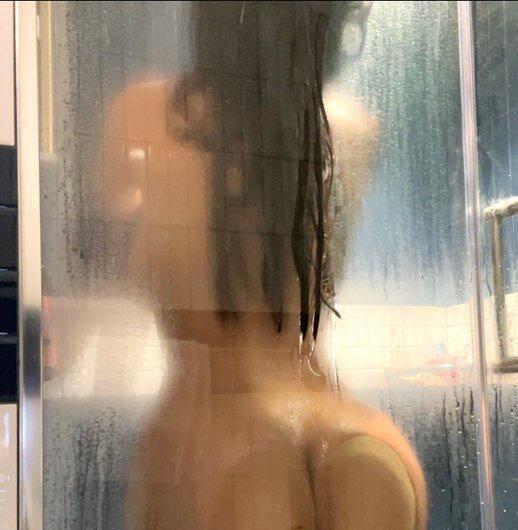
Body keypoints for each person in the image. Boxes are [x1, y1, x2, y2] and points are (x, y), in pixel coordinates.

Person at [92, 2, 428, 529]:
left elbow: (116, 265)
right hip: (357, 437)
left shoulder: (141, 112)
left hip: (212, 434)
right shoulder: (350, 124)